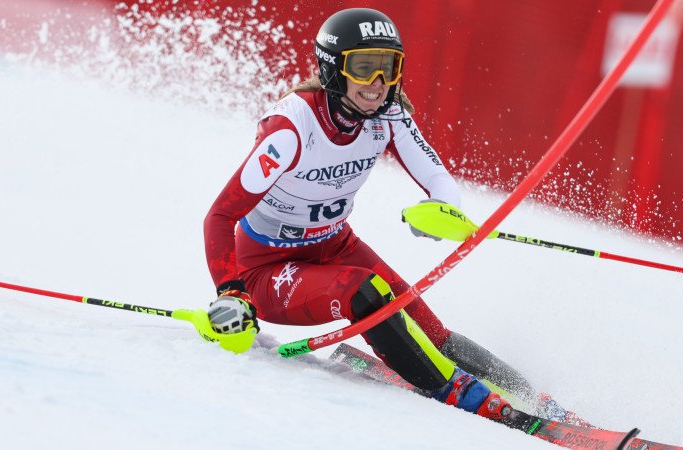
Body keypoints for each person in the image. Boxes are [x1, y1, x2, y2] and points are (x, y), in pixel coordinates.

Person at [203, 7, 533, 419]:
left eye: (388, 68)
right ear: (333, 68)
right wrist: (231, 291)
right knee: (365, 293)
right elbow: (219, 217)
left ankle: (531, 396)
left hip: (336, 246)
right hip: (269, 270)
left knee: (427, 327)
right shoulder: (290, 128)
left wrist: (441, 209)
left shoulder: (388, 115)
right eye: (364, 68)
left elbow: (438, 178)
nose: (378, 84)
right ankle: (464, 395)